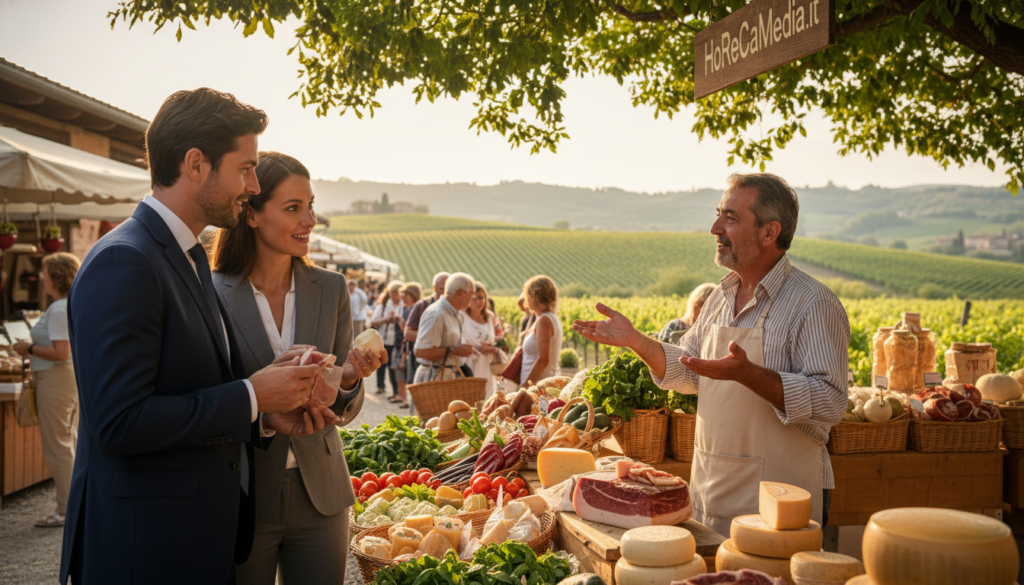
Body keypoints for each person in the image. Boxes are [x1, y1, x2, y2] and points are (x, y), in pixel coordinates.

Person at [60, 88, 328, 585]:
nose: (252, 184)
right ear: (196, 164)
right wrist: (251, 395)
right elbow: (119, 423)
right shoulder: (126, 260)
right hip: (147, 551)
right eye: (245, 168)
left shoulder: (188, 255)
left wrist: (264, 416)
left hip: (191, 541)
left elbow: (187, 390)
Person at [572, 172, 849, 536]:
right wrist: (636, 341)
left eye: (731, 218)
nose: (715, 227)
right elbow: (690, 372)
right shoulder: (719, 298)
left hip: (779, 505)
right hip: (711, 490)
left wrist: (750, 375)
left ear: (770, 232)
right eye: (719, 214)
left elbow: (831, 402)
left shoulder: (814, 303)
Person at [210, 151, 385, 585]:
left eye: (310, 205)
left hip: (322, 494)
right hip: (243, 493)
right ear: (250, 213)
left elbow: (345, 404)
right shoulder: (210, 293)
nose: (310, 219)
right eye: (293, 208)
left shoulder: (331, 288)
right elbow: (212, 398)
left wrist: (348, 381)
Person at [12, 253, 80, 528]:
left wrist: (26, 349)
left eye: (45, 273)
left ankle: (65, 510)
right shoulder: (66, 305)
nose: (42, 278)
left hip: (55, 379)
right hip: (62, 379)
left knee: (59, 446)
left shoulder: (60, 308)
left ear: (56, 277)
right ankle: (72, 505)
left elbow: (60, 351)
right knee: (66, 442)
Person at [413, 273, 476, 388]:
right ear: (460, 294)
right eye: (471, 293)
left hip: (445, 380)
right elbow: (420, 352)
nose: (473, 298)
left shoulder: (455, 313)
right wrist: (454, 351)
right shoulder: (436, 314)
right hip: (433, 381)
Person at [459, 281, 500, 397]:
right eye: (474, 298)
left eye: (481, 297)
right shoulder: (462, 316)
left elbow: (492, 339)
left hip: (486, 366)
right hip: (468, 366)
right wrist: (478, 347)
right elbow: (459, 342)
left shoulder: (490, 316)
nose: (478, 302)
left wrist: (493, 349)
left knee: (487, 399)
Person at [520, 276, 563, 386]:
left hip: (539, 387)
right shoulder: (550, 318)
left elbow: (543, 359)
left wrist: (525, 386)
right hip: (542, 384)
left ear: (533, 296)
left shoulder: (544, 320)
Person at [370, 280, 405, 397]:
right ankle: (380, 386)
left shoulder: (404, 306)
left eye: (396, 293)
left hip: (396, 341)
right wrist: (386, 319)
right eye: (392, 293)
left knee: (393, 367)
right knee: (380, 365)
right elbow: (373, 322)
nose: (393, 296)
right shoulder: (383, 305)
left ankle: (396, 391)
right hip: (383, 340)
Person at [391, 282, 422, 408]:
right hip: (403, 345)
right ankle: (407, 400)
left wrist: (401, 322)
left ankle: (413, 403)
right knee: (404, 373)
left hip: (413, 346)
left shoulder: (417, 309)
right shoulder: (405, 308)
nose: (403, 298)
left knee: (413, 375)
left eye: (405, 296)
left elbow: (407, 330)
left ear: (413, 295)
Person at [404, 271, 449, 347]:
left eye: (448, 289)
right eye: (441, 288)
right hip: (423, 354)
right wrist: (433, 337)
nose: (445, 292)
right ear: (434, 287)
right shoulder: (421, 305)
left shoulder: (456, 308)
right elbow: (408, 334)